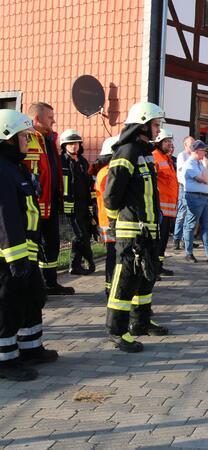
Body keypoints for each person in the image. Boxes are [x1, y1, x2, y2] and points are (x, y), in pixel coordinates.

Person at [103, 102, 169, 353]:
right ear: (142, 124)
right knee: (125, 281)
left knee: (144, 280)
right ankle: (117, 331)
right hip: (131, 232)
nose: (158, 130)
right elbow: (111, 196)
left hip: (148, 230)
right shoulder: (127, 152)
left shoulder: (145, 153)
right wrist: (117, 224)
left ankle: (140, 322)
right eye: (155, 125)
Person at [0, 110, 61, 380]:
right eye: (24, 137)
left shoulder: (15, 166)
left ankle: (31, 348)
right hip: (8, 257)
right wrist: (16, 259)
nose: (29, 141)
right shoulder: (2, 169)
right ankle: (5, 361)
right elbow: (6, 217)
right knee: (7, 307)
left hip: (26, 253)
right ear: (8, 138)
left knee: (33, 299)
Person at [25, 102, 72, 295]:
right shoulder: (26, 138)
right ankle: (32, 286)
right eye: (50, 117)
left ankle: (50, 282)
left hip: (51, 203)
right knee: (33, 247)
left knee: (52, 244)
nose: (54, 121)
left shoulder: (49, 140)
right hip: (33, 206)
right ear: (37, 119)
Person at [59, 129, 96, 276]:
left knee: (84, 235)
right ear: (64, 146)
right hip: (70, 206)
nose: (74, 146)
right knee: (80, 235)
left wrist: (92, 202)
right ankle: (86, 262)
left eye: (76, 143)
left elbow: (90, 182)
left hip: (84, 205)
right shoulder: (61, 161)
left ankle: (75, 265)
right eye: (71, 144)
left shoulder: (83, 162)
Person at [181, 140, 208, 263]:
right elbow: (202, 179)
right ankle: (189, 253)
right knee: (191, 225)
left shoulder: (199, 164)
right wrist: (205, 174)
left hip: (204, 197)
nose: (205, 153)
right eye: (203, 150)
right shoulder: (189, 164)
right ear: (196, 151)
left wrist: (205, 173)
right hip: (194, 197)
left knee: (206, 226)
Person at [91, 136, 119, 298]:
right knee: (113, 256)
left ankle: (112, 287)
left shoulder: (108, 171)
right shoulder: (108, 173)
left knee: (114, 255)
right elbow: (113, 196)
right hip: (109, 221)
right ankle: (110, 288)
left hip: (110, 220)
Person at [152, 128, 179, 276]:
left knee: (163, 241)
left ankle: (159, 266)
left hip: (168, 209)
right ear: (158, 142)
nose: (169, 144)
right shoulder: (155, 157)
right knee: (157, 240)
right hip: (159, 208)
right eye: (166, 141)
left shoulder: (167, 159)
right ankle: (153, 268)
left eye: (170, 141)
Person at [173, 135, 195, 250]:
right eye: (192, 144)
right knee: (182, 213)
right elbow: (185, 169)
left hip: (193, 188)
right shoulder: (182, 155)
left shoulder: (194, 156)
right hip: (184, 186)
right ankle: (176, 239)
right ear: (185, 145)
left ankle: (186, 240)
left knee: (190, 214)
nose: (194, 146)